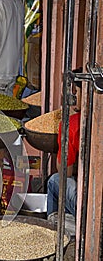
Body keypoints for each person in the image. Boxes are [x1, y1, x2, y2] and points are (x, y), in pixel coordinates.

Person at [47, 70, 82, 230]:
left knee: (55, 180)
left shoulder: (73, 123)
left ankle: (55, 230)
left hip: (89, 206)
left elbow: (64, 172)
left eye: (77, 91)